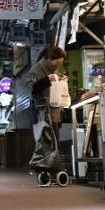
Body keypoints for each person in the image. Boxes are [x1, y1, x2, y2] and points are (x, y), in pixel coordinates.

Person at [27, 46, 68, 178]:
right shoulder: (36, 69)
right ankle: (42, 167)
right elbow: (32, 89)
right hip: (41, 110)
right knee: (44, 139)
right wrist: (48, 79)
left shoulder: (53, 69)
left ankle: (54, 167)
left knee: (55, 139)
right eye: (56, 62)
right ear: (49, 59)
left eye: (60, 63)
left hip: (54, 110)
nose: (58, 65)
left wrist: (59, 78)